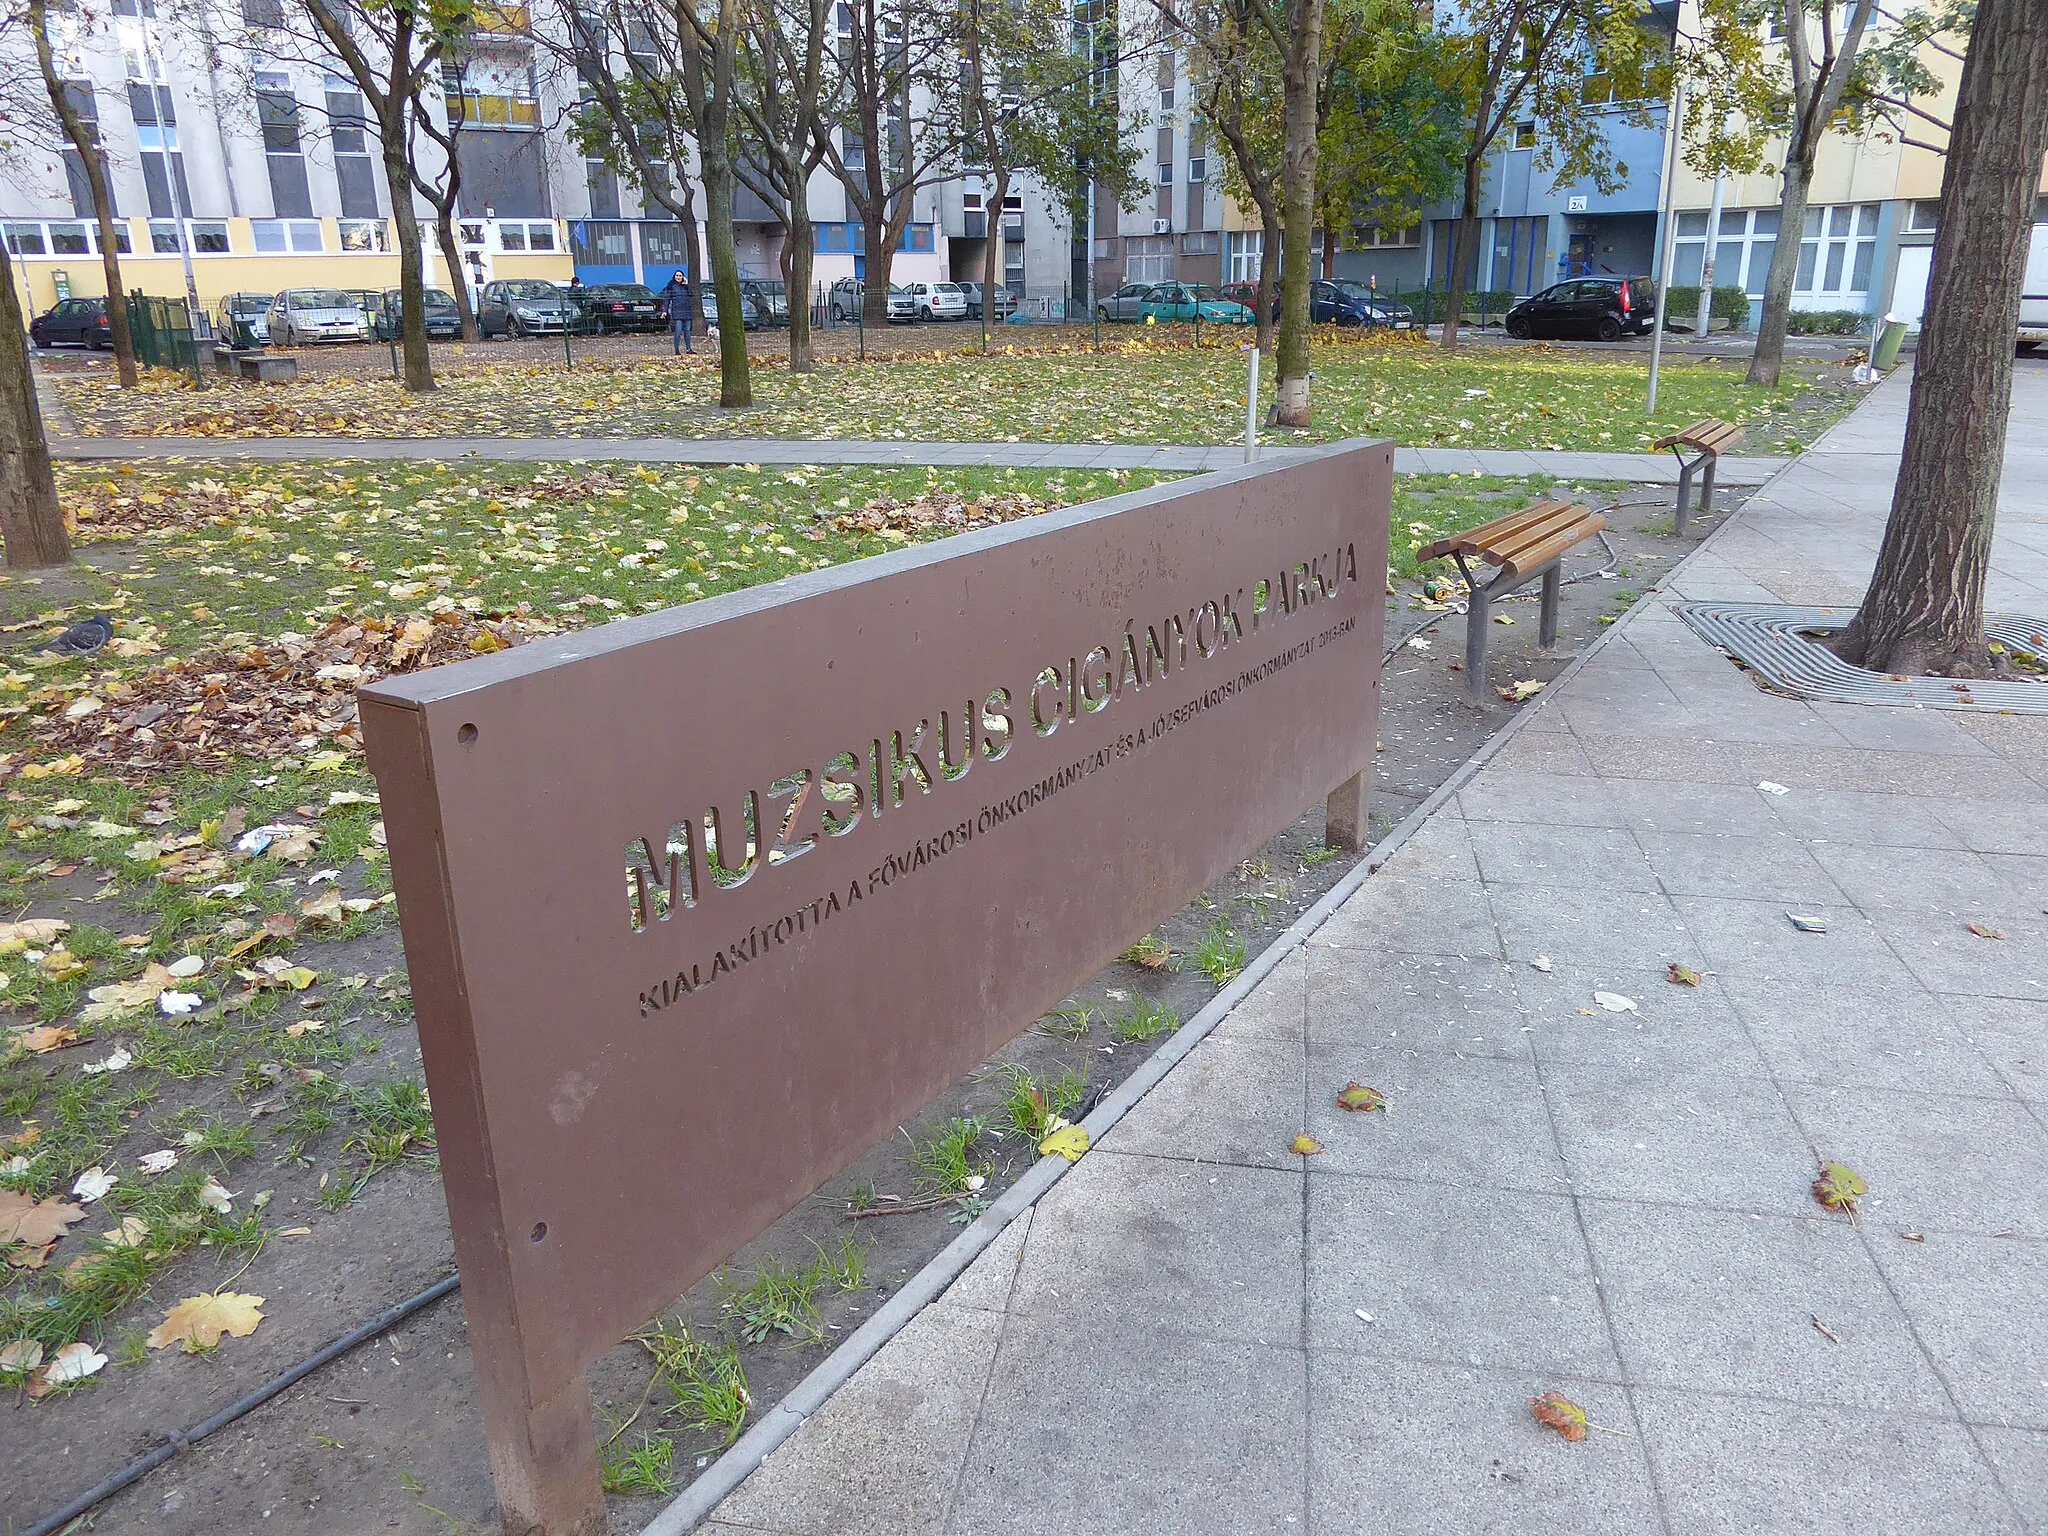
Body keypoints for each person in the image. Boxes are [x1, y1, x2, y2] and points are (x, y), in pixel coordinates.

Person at [664, 270, 695, 355]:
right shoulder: (671, 286)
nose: (678, 277)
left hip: (687, 312)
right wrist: (665, 311)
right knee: (678, 331)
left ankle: (688, 349)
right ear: (674, 276)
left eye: (680, 275)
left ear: (683, 277)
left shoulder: (685, 286)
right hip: (677, 312)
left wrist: (687, 284)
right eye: (677, 275)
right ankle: (677, 350)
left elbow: (691, 294)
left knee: (687, 331)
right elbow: (667, 300)